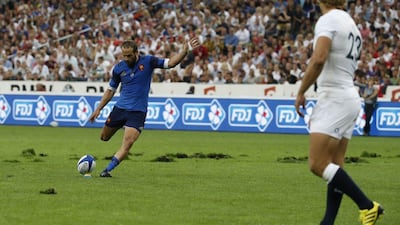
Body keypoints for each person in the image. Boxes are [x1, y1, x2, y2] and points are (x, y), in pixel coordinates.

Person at [294, 1, 384, 225]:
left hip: (334, 97)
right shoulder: (350, 23)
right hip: (349, 97)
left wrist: (301, 91)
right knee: (335, 164)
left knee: (317, 164)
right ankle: (328, 222)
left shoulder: (328, 20)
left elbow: (319, 58)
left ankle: (367, 205)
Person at [89, 37, 200, 177]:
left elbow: (170, 63)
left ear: (136, 53)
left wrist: (184, 51)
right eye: (124, 55)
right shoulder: (118, 68)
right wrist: (99, 108)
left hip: (137, 112)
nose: (126, 58)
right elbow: (110, 90)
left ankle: (107, 170)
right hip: (120, 109)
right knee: (104, 137)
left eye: (129, 55)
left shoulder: (148, 61)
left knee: (128, 143)